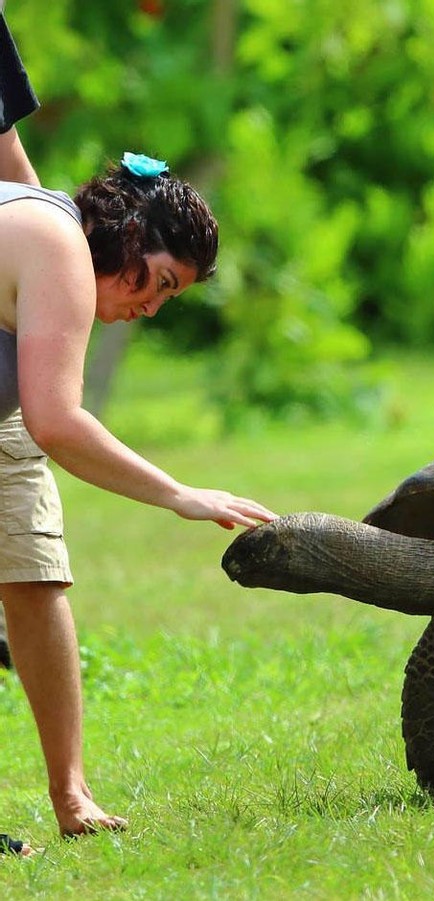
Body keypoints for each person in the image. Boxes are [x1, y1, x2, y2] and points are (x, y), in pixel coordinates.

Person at [0, 13, 275, 856]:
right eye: (154, 281)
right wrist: (180, 494)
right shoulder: (61, 252)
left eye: (167, 298)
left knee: (34, 574)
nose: (148, 305)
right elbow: (58, 421)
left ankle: (72, 794)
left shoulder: (46, 232)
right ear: (124, 234)